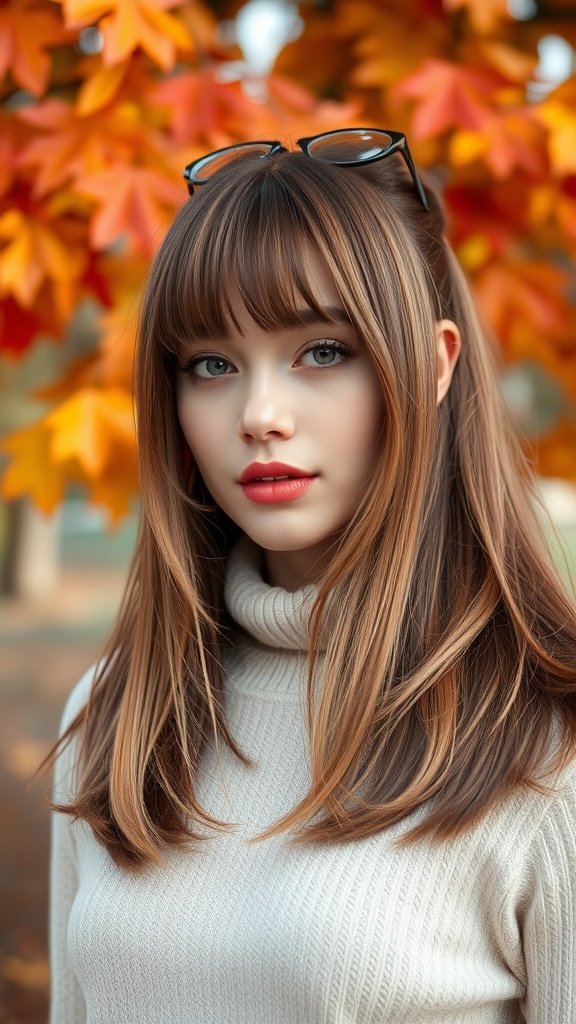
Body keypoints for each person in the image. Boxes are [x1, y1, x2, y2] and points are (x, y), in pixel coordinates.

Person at [47, 128, 576, 1024]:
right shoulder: (117, 714)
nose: (259, 415)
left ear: (435, 363)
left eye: (322, 351)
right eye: (211, 365)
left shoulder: (545, 745)